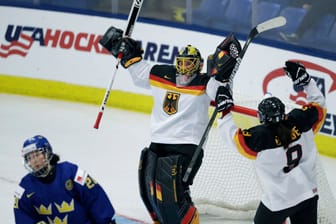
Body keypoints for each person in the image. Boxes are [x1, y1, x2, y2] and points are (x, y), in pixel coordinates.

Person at [99, 26, 242, 223]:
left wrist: (224, 91)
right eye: (181, 63)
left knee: (174, 195)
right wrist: (124, 51)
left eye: (189, 64)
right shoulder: (161, 73)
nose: (184, 68)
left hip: (187, 146)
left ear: (198, 65)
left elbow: (218, 88)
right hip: (158, 142)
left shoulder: (204, 82)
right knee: (149, 190)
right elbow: (139, 71)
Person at [214, 60, 326, 224]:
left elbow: (232, 136)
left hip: (278, 202)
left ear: (261, 117)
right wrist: (306, 81)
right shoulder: (301, 121)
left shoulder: (260, 138)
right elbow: (319, 104)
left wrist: (224, 110)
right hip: (308, 194)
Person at [14, 135, 117, 224]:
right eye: (29, 158)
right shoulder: (24, 188)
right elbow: (22, 214)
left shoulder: (71, 172)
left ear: (48, 152)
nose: (34, 161)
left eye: (37, 155)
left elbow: (94, 197)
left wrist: (106, 221)